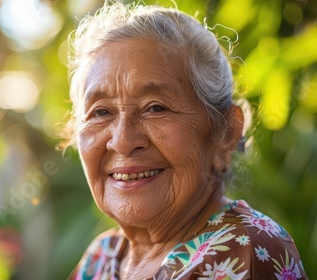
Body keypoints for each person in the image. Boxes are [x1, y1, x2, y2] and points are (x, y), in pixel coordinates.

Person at [62, 2, 308, 279]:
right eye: (101, 112)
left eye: (155, 108)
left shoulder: (240, 251)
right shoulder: (102, 256)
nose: (122, 141)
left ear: (225, 133)